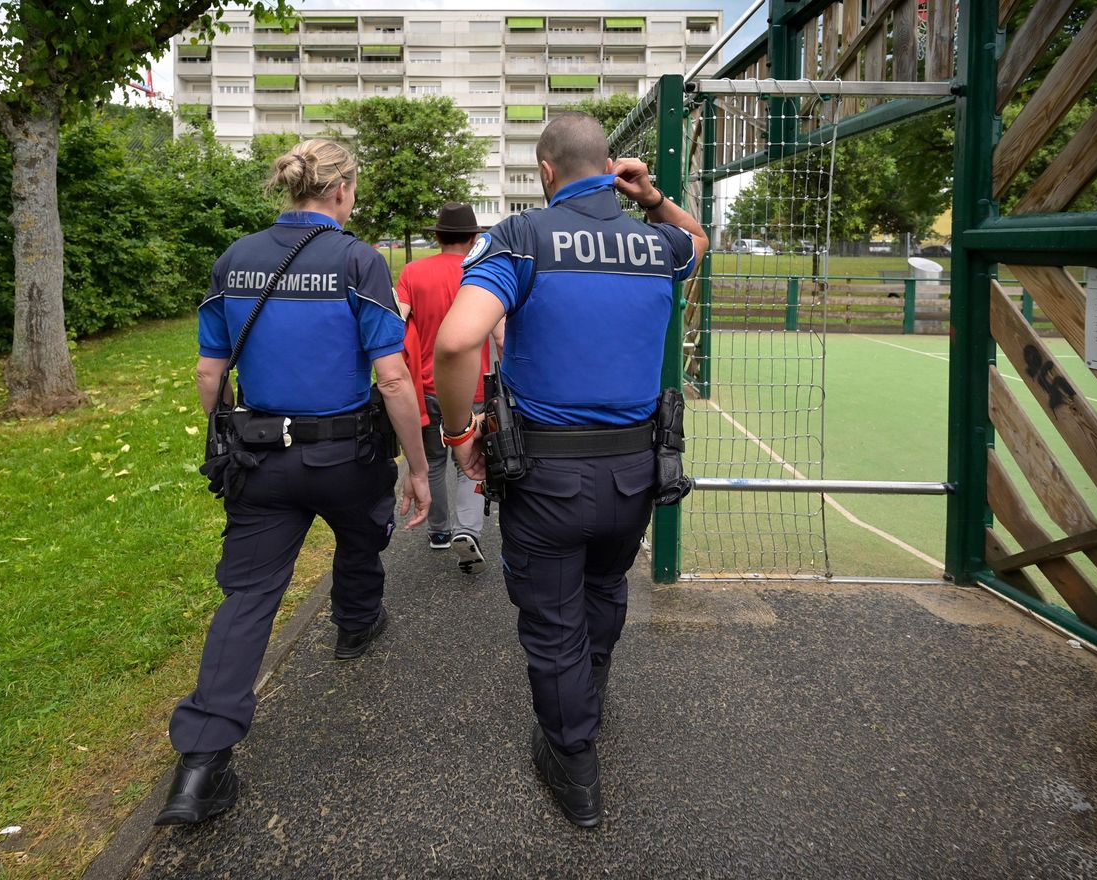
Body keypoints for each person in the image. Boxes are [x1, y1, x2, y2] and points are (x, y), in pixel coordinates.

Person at [433, 113, 706, 827]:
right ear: (609, 167)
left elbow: (458, 341)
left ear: (546, 171)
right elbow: (699, 241)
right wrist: (651, 196)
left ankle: (573, 762)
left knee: (551, 619)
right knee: (604, 586)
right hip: (636, 473)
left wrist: (461, 432)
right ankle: (590, 689)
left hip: (547, 477)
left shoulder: (522, 238)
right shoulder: (656, 242)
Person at [155, 139, 431, 826]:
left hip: (260, 458)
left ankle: (199, 769)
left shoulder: (235, 257)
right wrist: (420, 466)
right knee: (363, 534)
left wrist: (228, 433)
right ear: (340, 192)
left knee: (247, 599)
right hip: (344, 455)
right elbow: (393, 376)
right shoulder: (358, 260)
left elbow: (208, 375)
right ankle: (356, 624)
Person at [396, 202, 503, 574]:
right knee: (472, 461)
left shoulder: (412, 272)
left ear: (437, 236)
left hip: (423, 388)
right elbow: (501, 335)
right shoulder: (481, 270)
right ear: (474, 238)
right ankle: (467, 530)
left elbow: (398, 324)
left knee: (433, 462)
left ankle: (439, 532)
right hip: (471, 388)